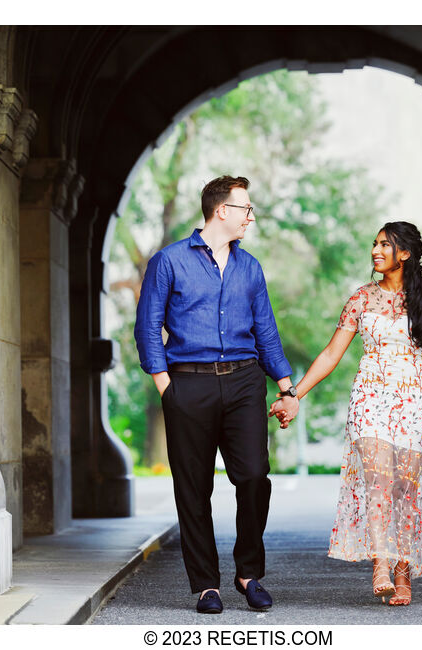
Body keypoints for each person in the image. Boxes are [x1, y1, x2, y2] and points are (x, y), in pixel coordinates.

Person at [134, 175, 299, 614]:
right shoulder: (168, 262)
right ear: (221, 210)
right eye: (245, 208)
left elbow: (265, 329)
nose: (251, 217)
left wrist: (287, 387)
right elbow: (148, 327)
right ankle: (206, 585)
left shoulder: (251, 268)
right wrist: (167, 387)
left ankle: (248, 574)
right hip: (187, 382)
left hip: (245, 381)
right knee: (193, 487)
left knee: (253, 477)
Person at [270, 221, 422, 606]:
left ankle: (403, 573)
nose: (375, 250)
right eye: (374, 244)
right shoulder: (361, 299)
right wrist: (293, 393)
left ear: (405, 254)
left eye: (385, 245)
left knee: (406, 488)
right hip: (369, 397)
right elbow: (332, 354)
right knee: (378, 481)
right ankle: (381, 563)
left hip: (414, 398)